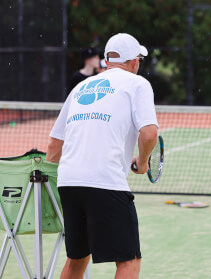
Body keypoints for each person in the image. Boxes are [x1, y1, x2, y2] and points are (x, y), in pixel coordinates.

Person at [46, 33, 159, 278]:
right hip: (105, 181)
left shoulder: (80, 87)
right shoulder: (138, 84)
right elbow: (149, 134)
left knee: (77, 259)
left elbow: (54, 145)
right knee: (129, 260)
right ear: (135, 61)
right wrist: (141, 163)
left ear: (107, 60)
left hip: (68, 183)